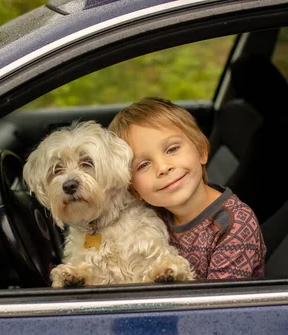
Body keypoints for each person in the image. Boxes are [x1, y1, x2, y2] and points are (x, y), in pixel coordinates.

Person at [109, 97, 266, 280]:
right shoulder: (149, 217)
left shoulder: (234, 225)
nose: (163, 167)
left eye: (172, 149)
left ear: (201, 151)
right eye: (143, 165)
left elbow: (217, 305)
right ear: (135, 191)